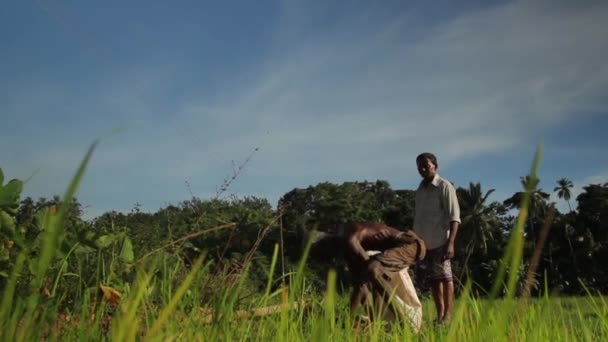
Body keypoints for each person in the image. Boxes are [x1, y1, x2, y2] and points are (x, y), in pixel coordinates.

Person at [310, 222, 426, 331]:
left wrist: (347, 318)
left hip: (412, 245)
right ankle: (375, 323)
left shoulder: (349, 237)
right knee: (364, 277)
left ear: (325, 243)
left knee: (372, 270)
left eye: (320, 253)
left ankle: (405, 322)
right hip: (393, 252)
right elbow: (360, 287)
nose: (325, 259)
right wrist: (347, 318)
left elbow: (370, 272)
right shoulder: (347, 252)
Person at [413, 152, 461, 325]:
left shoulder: (444, 186)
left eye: (426, 165)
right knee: (434, 280)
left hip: (441, 241)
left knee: (445, 277)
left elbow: (454, 217)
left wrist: (451, 243)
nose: (422, 169)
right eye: (419, 166)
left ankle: (448, 315)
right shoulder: (420, 190)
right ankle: (440, 315)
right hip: (424, 244)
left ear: (435, 166)